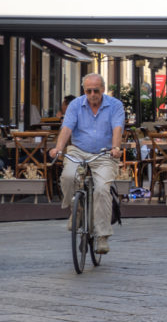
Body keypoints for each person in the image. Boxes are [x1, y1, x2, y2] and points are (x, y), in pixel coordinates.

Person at [48, 74, 124, 256]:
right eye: (88, 91)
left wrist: (116, 147)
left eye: (96, 90)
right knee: (67, 176)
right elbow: (66, 128)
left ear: (103, 89)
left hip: (105, 153)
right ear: (84, 91)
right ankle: (75, 210)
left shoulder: (115, 105)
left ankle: (102, 236)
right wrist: (59, 148)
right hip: (78, 150)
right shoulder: (75, 105)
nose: (92, 94)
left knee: (102, 189)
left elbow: (117, 128)